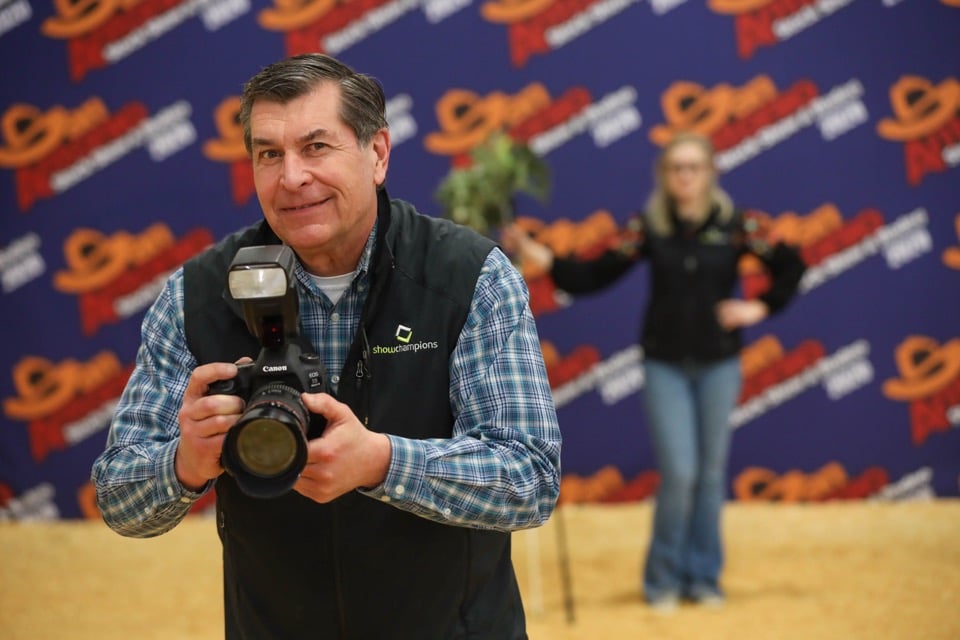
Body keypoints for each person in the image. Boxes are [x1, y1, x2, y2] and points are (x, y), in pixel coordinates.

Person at [92, 53, 562, 639]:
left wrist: (383, 462)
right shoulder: (198, 295)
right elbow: (118, 497)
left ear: (378, 154)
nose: (291, 177)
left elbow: (530, 479)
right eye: (269, 154)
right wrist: (184, 464)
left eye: (316, 147)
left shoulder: (469, 277)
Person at [502, 131, 806, 612]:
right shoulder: (649, 227)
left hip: (719, 364)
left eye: (693, 167)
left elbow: (791, 265)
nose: (684, 176)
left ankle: (702, 578)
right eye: (675, 168)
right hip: (665, 363)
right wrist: (545, 257)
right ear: (664, 176)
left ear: (711, 173)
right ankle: (661, 580)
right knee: (681, 473)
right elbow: (595, 273)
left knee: (708, 475)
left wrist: (759, 308)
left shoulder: (739, 225)